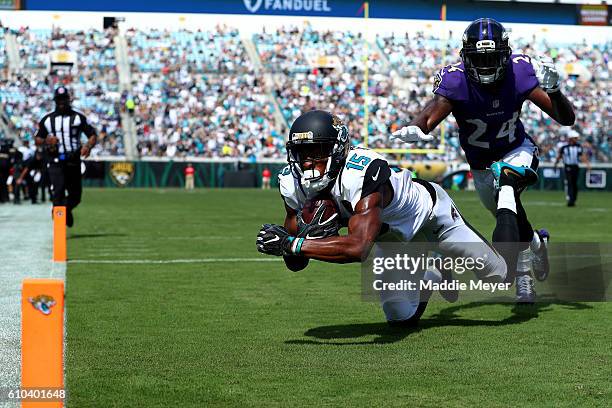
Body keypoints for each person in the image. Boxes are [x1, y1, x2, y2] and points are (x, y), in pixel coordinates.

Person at [256, 111, 508, 326]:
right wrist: (288, 245)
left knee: (499, 275)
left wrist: (292, 244)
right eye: (302, 153)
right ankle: (435, 272)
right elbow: (296, 264)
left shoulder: (361, 171)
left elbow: (358, 248)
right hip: (391, 239)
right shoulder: (292, 184)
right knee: (399, 317)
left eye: (317, 152)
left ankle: (534, 243)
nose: (309, 162)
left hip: (431, 216)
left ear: (338, 150)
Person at [392, 18, 576, 301]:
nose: (487, 65)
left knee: (507, 188)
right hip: (481, 165)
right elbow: (431, 113)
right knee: (510, 211)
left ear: (505, 55)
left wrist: (555, 91)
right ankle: (538, 245)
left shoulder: (520, 71)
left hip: (516, 150)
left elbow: (566, 118)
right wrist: (418, 127)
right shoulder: (456, 80)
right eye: (480, 59)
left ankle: (521, 275)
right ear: (466, 58)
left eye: (493, 58)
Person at [35, 86, 97, 227]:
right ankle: (59, 231)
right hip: (55, 160)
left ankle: (66, 210)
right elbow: (37, 139)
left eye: (64, 99)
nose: (61, 102)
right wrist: (46, 140)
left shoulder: (78, 117)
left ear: (69, 99)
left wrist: (88, 146)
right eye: (59, 100)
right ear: (55, 101)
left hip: (73, 160)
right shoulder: (47, 119)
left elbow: (92, 134)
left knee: (76, 196)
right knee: (58, 193)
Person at [555, 132, 590, 207]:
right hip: (567, 166)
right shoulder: (564, 147)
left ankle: (573, 199)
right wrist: (556, 164)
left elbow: (581, 156)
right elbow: (559, 156)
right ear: (571, 138)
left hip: (575, 167)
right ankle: (570, 200)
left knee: (574, 184)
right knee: (570, 183)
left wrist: (587, 164)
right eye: (575, 138)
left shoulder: (578, 146)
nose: (576, 139)